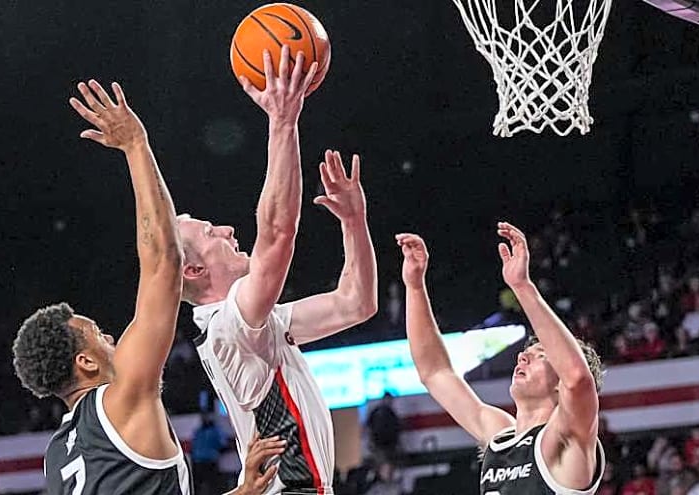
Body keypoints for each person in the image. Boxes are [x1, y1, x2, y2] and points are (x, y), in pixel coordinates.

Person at [11, 80, 273, 495]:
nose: (111, 335)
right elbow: (164, 264)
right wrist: (135, 145)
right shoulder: (119, 401)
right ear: (87, 363)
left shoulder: (58, 457)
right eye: (97, 334)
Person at [180, 47, 377, 495]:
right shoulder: (231, 326)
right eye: (212, 232)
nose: (229, 229)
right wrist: (282, 123)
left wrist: (354, 223)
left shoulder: (253, 325)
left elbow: (357, 303)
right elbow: (277, 232)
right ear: (193, 269)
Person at [397, 222, 605, 495]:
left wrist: (522, 287)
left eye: (540, 355)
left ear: (559, 384)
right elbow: (434, 372)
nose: (523, 356)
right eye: (526, 352)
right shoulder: (499, 435)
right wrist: (414, 287)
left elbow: (577, 378)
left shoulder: (566, 438)